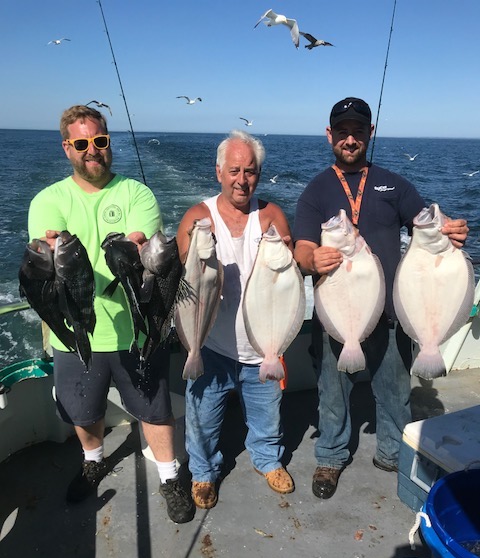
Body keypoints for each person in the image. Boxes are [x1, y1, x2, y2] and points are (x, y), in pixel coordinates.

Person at [293, 97, 469, 500]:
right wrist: (311, 259)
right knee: (332, 394)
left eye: (358, 131)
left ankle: (392, 453)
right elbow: (301, 247)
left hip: (390, 314)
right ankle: (330, 456)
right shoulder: (316, 190)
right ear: (330, 135)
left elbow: (426, 225)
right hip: (338, 314)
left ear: (369, 133)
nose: (350, 139)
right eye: (342, 132)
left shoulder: (394, 184)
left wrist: (450, 229)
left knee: (395, 393)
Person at [28, 105, 194, 523]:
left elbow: (149, 252)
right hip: (74, 332)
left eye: (100, 141)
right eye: (82, 143)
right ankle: (93, 460)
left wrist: (137, 247)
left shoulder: (137, 194)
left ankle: (170, 477)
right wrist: (50, 251)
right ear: (67, 148)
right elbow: (46, 261)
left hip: (136, 331)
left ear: (108, 142)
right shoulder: (48, 200)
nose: (92, 150)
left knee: (155, 409)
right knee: (83, 411)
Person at [176, 130, 295, 509]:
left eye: (250, 171)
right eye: (234, 171)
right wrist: (193, 252)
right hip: (210, 345)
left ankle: (268, 460)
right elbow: (182, 279)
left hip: (262, 346)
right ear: (218, 172)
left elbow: (289, 280)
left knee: (267, 416)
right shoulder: (198, 217)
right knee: (202, 419)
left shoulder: (271, 216)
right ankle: (203, 472)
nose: (242, 180)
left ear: (258, 174)